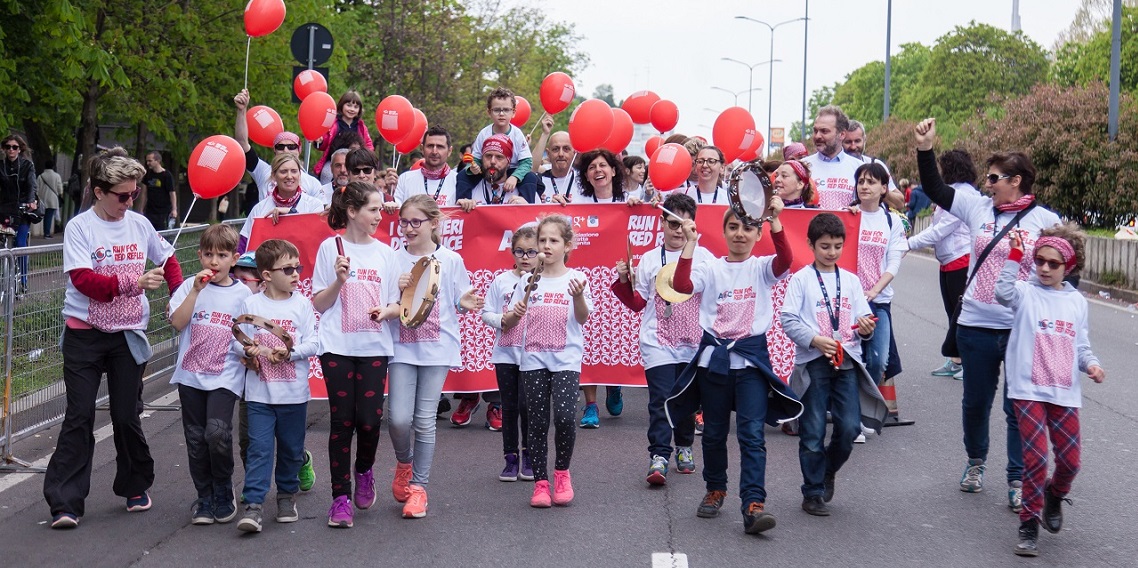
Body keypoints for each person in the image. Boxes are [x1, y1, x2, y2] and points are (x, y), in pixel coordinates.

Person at [914, 117, 1062, 512]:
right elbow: (935, 189)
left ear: (1016, 181)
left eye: (995, 177)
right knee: (976, 403)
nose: (988, 183)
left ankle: (1016, 478)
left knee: (1018, 406)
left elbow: (1065, 270)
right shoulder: (977, 207)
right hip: (975, 325)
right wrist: (925, 149)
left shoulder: (1046, 221)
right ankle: (976, 462)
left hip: (1021, 328)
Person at [44, 148, 184, 529]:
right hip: (84, 336)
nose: (129, 201)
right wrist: (132, 282)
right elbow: (83, 280)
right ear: (98, 191)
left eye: (134, 194)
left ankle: (135, 484)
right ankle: (66, 502)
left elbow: (169, 260)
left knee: (126, 415)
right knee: (80, 415)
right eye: (122, 195)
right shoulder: (79, 227)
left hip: (127, 337)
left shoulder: (138, 224)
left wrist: (179, 296)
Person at [666, 197, 802, 535]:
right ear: (724, 231)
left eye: (748, 227)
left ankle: (754, 505)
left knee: (752, 435)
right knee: (713, 434)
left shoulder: (761, 267)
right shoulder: (710, 266)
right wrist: (690, 245)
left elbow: (786, 260)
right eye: (733, 227)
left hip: (752, 365)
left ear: (758, 234)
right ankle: (715, 490)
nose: (740, 233)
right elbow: (681, 286)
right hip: (715, 365)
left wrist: (777, 220)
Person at [996, 224, 1105, 557]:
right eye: (1039, 260)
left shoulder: (1077, 302)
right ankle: (1028, 523)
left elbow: (1081, 344)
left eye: (1053, 264)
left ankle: (1054, 496)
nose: (1044, 268)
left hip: (1064, 392)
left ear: (1067, 268)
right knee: (1036, 460)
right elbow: (1002, 291)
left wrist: (1091, 365)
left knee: (1070, 463)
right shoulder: (1024, 292)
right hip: (1027, 389)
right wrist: (1015, 253)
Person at [780, 212, 888, 516]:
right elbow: (787, 319)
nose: (832, 252)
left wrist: (866, 326)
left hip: (847, 363)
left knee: (850, 427)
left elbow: (863, 318)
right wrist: (815, 340)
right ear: (811, 245)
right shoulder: (800, 279)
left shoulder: (851, 281)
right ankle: (812, 491)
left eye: (837, 246)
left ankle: (827, 470)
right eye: (825, 246)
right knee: (812, 430)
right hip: (814, 362)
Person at [311, 181, 402, 528]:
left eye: (380, 209)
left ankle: (364, 469)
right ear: (352, 212)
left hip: (375, 348)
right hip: (336, 346)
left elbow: (396, 302)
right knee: (341, 422)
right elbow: (319, 304)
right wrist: (338, 280)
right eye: (374, 209)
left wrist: (387, 311)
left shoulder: (386, 253)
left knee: (368, 421)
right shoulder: (328, 248)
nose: (380, 215)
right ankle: (340, 498)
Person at [388, 195, 484, 518]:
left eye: (417, 222)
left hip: (437, 348)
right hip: (401, 345)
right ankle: (404, 461)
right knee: (399, 418)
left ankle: (419, 488)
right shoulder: (393, 259)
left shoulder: (451, 259)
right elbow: (385, 304)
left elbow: (459, 297)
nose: (409, 228)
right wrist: (397, 289)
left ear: (434, 223)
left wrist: (465, 302)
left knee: (425, 419)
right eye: (404, 222)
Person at [611, 193, 711, 485]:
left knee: (688, 401)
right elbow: (638, 303)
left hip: (694, 342)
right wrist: (624, 280)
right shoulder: (651, 259)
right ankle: (659, 455)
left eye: (684, 224)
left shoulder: (704, 257)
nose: (678, 230)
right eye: (672, 223)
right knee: (660, 400)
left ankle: (684, 447)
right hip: (658, 341)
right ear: (662, 222)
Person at [232, 239, 318, 534]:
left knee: (292, 450)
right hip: (258, 395)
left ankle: (285, 496)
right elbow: (237, 338)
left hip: (294, 396)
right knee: (259, 449)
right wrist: (248, 350)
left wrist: (289, 353)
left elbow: (314, 342)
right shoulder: (252, 304)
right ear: (266, 275)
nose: (296, 274)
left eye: (298, 267)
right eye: (288, 269)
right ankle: (254, 505)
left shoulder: (302, 304)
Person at [167, 224, 250, 525]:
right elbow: (177, 322)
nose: (214, 262)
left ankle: (223, 489)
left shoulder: (243, 294)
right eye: (209, 255)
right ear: (200, 256)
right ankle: (203, 496)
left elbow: (247, 336)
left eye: (222, 255)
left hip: (224, 376)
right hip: (190, 376)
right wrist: (195, 291)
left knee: (216, 432)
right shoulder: (190, 287)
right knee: (195, 438)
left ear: (234, 258)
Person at [509, 215, 592, 507]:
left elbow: (582, 318)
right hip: (533, 359)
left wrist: (579, 297)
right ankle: (541, 483)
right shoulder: (528, 281)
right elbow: (512, 318)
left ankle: (562, 473)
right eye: (542, 240)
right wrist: (513, 313)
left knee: (566, 418)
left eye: (553, 240)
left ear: (567, 245)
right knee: (537, 421)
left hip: (566, 358)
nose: (546, 246)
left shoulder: (577, 279)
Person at [567, 148, 641, 426]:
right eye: (591, 168)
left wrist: (644, 204)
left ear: (613, 170)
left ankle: (615, 382)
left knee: (616, 338)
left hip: (619, 281)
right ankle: (590, 406)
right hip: (586, 281)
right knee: (587, 341)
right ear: (586, 176)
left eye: (603, 165)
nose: (597, 170)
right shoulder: (577, 202)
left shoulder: (632, 200)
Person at [907, 150, 980, 380]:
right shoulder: (953, 192)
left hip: (962, 259)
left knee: (963, 315)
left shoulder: (964, 195)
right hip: (948, 261)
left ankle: (970, 362)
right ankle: (956, 360)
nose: (938, 173)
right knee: (952, 314)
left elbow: (941, 230)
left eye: (941, 168)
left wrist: (908, 243)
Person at [482, 224, 540, 482]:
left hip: (534, 355)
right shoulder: (501, 281)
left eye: (531, 252)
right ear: (512, 252)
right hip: (506, 353)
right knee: (509, 407)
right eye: (520, 252)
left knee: (529, 407)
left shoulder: (544, 280)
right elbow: (486, 313)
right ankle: (510, 458)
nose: (525, 257)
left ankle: (529, 455)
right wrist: (502, 320)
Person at [233, 89, 324, 201]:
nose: (286, 150)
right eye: (280, 147)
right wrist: (241, 111)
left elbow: (320, 214)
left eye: (291, 147)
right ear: (274, 151)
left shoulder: (313, 183)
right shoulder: (264, 172)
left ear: (299, 150)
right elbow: (242, 144)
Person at [456, 87, 540, 203]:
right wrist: (473, 168)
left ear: (513, 112)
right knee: (462, 176)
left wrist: (515, 177)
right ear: (489, 112)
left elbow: (527, 162)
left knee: (530, 178)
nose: (501, 114)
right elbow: (475, 158)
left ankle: (526, 209)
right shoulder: (484, 133)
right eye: (497, 110)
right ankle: (462, 205)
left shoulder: (517, 134)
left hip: (511, 170)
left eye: (506, 110)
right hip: (488, 169)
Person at [237, 153, 326, 253]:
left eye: (294, 171)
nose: (289, 176)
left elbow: (315, 240)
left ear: (300, 175)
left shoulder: (314, 205)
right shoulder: (259, 208)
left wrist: (291, 213)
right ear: (274, 176)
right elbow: (243, 246)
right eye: (283, 172)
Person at [801, 106, 863, 210]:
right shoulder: (802, 167)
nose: (817, 136)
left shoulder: (859, 168)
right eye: (815, 131)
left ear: (842, 134)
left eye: (824, 131)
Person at [457, 134, 534, 211]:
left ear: (509, 162)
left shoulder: (522, 187)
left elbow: (541, 219)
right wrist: (460, 208)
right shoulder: (470, 186)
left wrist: (527, 208)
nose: (492, 161)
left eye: (499, 157)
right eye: (488, 156)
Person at [389, 126, 458, 210]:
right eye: (430, 146)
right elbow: (396, 210)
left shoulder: (458, 180)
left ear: (449, 151)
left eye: (440, 147)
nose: (434, 151)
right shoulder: (405, 179)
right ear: (422, 149)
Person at [313, 90, 375, 184]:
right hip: (334, 160)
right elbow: (326, 142)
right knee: (327, 174)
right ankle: (325, 192)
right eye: (349, 105)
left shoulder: (360, 126)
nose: (352, 109)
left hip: (354, 161)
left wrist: (368, 156)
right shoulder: (333, 123)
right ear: (341, 106)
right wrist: (320, 141)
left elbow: (368, 143)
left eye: (356, 107)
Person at [1, 134, 36, 289]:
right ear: (4, 149)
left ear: (20, 149)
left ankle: (23, 280)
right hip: (4, 210)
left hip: (22, 210)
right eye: (8, 147)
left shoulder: (28, 166)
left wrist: (30, 201)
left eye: (14, 147)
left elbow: (31, 185)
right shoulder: (0, 166)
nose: (11, 150)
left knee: (21, 244)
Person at [843, 120, 904, 210]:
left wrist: (879, 190)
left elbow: (899, 203)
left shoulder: (875, 164)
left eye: (857, 141)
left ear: (864, 140)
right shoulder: (834, 166)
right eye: (848, 142)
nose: (853, 146)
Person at [531, 117, 578, 204]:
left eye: (566, 149)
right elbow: (531, 169)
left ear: (574, 152)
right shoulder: (539, 181)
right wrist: (545, 134)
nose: (561, 154)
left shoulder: (583, 180)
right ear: (548, 154)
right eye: (556, 149)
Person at [140, 152, 177, 232]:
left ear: (158, 161)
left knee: (162, 233)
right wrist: (141, 208)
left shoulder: (166, 175)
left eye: (150, 161)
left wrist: (174, 209)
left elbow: (172, 193)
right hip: (150, 210)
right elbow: (144, 193)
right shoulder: (148, 174)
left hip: (163, 211)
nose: (148, 163)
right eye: (147, 161)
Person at [37, 158, 63, 238]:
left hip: (42, 198)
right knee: (49, 216)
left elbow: (37, 188)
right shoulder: (56, 176)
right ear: (53, 166)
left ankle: (46, 232)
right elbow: (60, 188)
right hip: (53, 199)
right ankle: (47, 233)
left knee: (45, 216)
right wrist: (60, 194)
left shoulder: (40, 176)